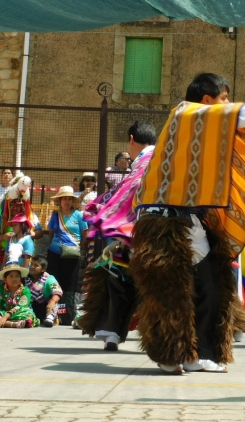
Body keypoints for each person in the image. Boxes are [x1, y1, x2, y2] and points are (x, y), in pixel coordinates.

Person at [130, 72, 245, 374]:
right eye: (224, 97)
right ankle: (170, 352)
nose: (228, 103)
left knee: (211, 285)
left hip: (191, 221)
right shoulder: (186, 113)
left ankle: (198, 352)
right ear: (208, 100)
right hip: (163, 223)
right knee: (171, 293)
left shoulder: (207, 129)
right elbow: (240, 114)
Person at [80, 121, 156, 351]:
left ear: (131, 139)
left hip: (142, 232)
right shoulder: (165, 155)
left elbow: (125, 193)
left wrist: (99, 206)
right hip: (170, 228)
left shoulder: (143, 161)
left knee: (116, 274)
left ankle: (112, 332)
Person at [46, 186, 87, 325]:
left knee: (70, 284)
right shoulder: (55, 215)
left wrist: (75, 248)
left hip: (72, 255)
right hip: (55, 253)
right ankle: (52, 313)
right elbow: (51, 233)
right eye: (64, 198)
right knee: (55, 282)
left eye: (69, 199)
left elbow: (84, 236)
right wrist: (57, 246)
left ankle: (68, 315)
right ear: (60, 200)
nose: (66, 201)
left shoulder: (79, 215)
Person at [0, 262, 38, 328]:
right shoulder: (1, 289)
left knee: (27, 314)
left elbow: (21, 306)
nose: (14, 279)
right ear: (5, 279)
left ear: (20, 278)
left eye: (17, 276)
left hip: (18, 313)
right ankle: (14, 324)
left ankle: (1, 322)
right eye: (11, 276)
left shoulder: (25, 290)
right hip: (2, 313)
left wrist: (5, 317)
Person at [25, 255, 63, 327]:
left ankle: (49, 318)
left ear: (43, 269)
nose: (32, 267)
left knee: (53, 301)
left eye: (36, 265)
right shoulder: (25, 277)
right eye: (31, 264)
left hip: (43, 308)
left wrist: (52, 302)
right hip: (29, 306)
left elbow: (58, 291)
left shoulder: (49, 278)